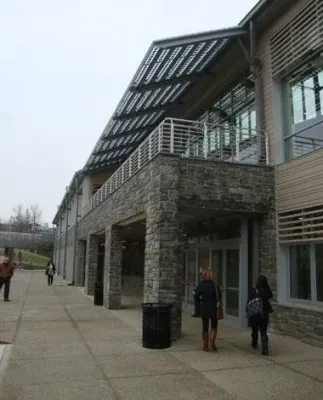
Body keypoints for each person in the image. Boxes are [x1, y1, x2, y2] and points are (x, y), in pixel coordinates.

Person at [194, 268, 222, 352]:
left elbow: (196, 296)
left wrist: (200, 300)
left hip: (204, 308)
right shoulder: (215, 285)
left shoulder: (201, 284)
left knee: (205, 326)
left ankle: (205, 346)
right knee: (214, 325)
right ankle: (212, 340)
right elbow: (219, 297)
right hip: (213, 308)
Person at [248, 275, 273, 355]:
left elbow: (249, 301)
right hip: (264, 314)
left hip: (255, 314)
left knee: (254, 329)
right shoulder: (267, 290)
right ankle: (265, 348)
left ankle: (254, 344)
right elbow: (270, 296)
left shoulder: (254, 290)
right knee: (263, 331)